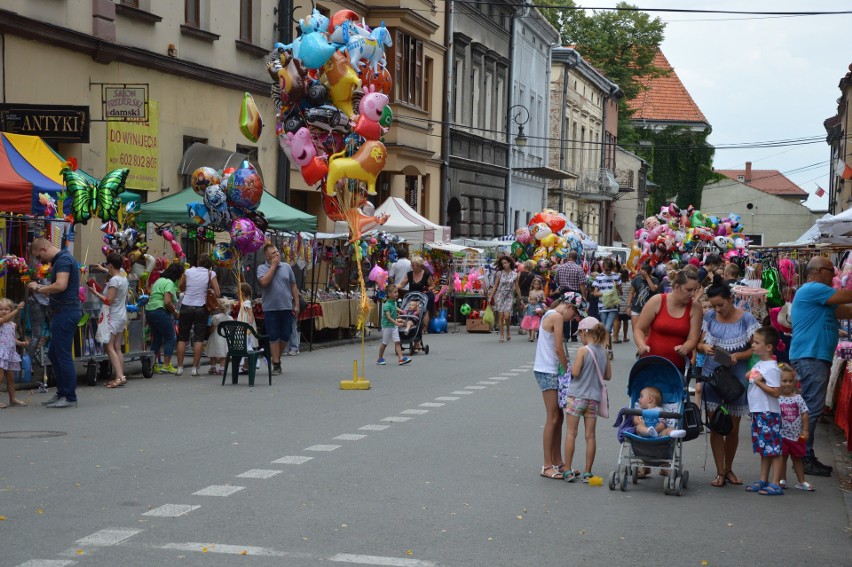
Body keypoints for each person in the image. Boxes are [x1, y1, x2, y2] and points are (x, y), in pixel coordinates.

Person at [789, 256, 852, 476]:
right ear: (818, 271)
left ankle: (805, 453)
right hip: (810, 357)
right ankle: (803, 456)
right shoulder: (813, 289)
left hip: (814, 357)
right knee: (812, 409)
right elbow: (847, 296)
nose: (835, 275)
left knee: (811, 408)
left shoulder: (821, 298)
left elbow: (846, 310)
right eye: (831, 271)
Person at [698, 275, 760, 487]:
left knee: (733, 428)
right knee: (716, 425)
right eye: (714, 306)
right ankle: (719, 472)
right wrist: (703, 348)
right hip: (713, 375)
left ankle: (728, 468)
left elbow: (757, 347)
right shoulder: (709, 318)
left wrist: (738, 356)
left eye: (721, 305)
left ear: (730, 299)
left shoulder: (746, 319)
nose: (717, 310)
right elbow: (698, 344)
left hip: (736, 378)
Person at [533, 291, 586, 479]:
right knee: (553, 417)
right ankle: (547, 465)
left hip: (550, 370)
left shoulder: (551, 314)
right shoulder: (556, 316)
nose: (574, 318)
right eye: (576, 314)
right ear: (569, 307)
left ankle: (558, 462)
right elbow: (558, 348)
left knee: (559, 417)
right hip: (549, 370)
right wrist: (567, 371)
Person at [28, 238, 82, 409]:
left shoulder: (64, 260)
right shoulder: (61, 260)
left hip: (66, 312)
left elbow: (60, 285)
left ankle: (69, 396)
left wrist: (38, 288)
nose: (39, 261)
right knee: (54, 353)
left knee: (62, 354)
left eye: (38, 257)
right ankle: (62, 392)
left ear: (44, 249)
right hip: (62, 312)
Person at [563, 316, 611, 483]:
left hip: (577, 396)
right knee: (590, 436)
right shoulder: (603, 351)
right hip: (593, 398)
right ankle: (587, 472)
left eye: (580, 333)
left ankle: (568, 469)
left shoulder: (583, 350)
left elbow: (575, 373)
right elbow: (608, 376)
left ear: (584, 332)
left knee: (571, 433)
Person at [633, 269, 702, 373]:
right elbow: (639, 329)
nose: (693, 294)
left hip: (677, 368)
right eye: (689, 290)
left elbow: (693, 338)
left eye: (695, 290)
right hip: (651, 363)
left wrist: (685, 348)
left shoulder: (695, 307)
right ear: (676, 287)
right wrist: (641, 345)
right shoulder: (657, 301)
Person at [744, 326, 784, 496]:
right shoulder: (762, 364)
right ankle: (763, 478)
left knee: (773, 448)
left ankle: (775, 482)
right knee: (764, 447)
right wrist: (753, 376)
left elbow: (776, 392)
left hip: (768, 412)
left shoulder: (772, 368)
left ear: (768, 347)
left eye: (757, 342)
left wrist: (759, 381)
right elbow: (749, 375)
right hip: (759, 411)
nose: (753, 344)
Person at [256, 243, 300, 376]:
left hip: (286, 306)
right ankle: (276, 363)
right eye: (273, 253)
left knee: (286, 335)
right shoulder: (262, 268)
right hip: (270, 308)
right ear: (267, 257)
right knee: (274, 336)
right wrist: (273, 266)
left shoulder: (286, 267)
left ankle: (276, 358)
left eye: (277, 252)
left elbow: (293, 285)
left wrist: (296, 304)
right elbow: (264, 283)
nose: (277, 255)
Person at [175, 254, 220, 377]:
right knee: (198, 338)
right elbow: (218, 292)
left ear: (198, 261)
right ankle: (194, 368)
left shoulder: (188, 271)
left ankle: (179, 367)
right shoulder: (211, 274)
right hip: (201, 307)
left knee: (182, 337)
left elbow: (181, 287)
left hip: (186, 306)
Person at [89, 252, 129, 388]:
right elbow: (116, 271)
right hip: (122, 315)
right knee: (117, 347)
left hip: (113, 316)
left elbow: (109, 300)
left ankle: (119, 376)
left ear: (111, 265)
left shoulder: (114, 281)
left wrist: (96, 293)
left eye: (107, 265)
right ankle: (120, 375)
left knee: (109, 346)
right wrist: (102, 268)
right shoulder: (123, 276)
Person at [777, 363, 814, 491]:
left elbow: (805, 414)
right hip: (782, 435)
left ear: (794, 382)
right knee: (782, 458)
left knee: (797, 459)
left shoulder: (798, 398)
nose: (787, 384)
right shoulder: (777, 398)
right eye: (784, 381)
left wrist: (805, 430)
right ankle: (782, 479)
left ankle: (801, 481)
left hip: (797, 436)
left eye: (790, 381)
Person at [146, 263, 183, 374]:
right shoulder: (169, 283)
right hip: (160, 311)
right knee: (170, 337)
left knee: (157, 337)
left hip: (150, 311)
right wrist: (175, 312)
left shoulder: (159, 281)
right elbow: (167, 301)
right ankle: (166, 365)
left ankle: (152, 364)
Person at [398, 255, 434, 343]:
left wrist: (427, 289)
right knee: (407, 312)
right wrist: (392, 287)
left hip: (423, 296)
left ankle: (423, 329)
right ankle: (407, 329)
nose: (411, 266)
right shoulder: (409, 274)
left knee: (422, 312)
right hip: (412, 297)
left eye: (413, 265)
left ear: (419, 265)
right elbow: (401, 285)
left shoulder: (426, 274)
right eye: (411, 264)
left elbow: (432, 286)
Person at [0, 299, 28, 408]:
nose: (3, 311)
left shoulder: (12, 325)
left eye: (6, 309)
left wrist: (21, 343)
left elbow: (11, 338)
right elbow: (4, 319)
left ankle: (13, 399)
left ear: (10, 310)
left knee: (11, 378)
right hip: (1, 353)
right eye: (1, 309)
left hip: (10, 353)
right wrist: (17, 310)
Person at [554, 251, 587, 342]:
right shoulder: (578, 268)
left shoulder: (561, 268)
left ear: (568, 257)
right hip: (576, 293)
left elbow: (556, 280)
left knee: (564, 313)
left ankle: (565, 335)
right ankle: (573, 335)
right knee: (575, 313)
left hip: (564, 293)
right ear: (576, 258)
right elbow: (582, 284)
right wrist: (584, 297)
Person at [488, 255, 521, 343]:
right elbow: (495, 286)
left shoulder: (515, 274)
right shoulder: (499, 273)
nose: (504, 265)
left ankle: (508, 331)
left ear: (509, 263)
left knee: (507, 316)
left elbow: (517, 287)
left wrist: (520, 298)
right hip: (499, 296)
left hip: (509, 296)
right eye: (502, 263)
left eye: (505, 263)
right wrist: (490, 297)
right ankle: (502, 335)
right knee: (500, 316)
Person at [376, 285, 411, 366]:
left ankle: (401, 358)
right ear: (389, 294)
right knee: (384, 343)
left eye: (397, 292)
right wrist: (397, 323)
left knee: (397, 342)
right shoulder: (387, 305)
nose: (397, 294)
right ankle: (380, 358)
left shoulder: (394, 303)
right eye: (395, 292)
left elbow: (396, 308)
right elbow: (388, 317)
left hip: (393, 326)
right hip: (387, 326)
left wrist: (403, 311)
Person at [627, 262, 659, 335]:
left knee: (647, 332)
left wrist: (647, 277)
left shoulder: (655, 280)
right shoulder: (636, 279)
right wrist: (628, 306)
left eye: (644, 274)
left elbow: (653, 289)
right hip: (636, 307)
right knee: (636, 331)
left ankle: (645, 345)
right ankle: (640, 345)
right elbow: (631, 292)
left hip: (648, 309)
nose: (642, 275)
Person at [237, 282, 261, 372]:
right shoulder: (245, 302)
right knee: (247, 346)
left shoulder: (246, 303)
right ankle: (246, 365)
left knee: (247, 345)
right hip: (246, 326)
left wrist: (249, 327)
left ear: (242, 292)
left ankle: (246, 365)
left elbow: (251, 316)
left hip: (246, 327)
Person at [205, 298, 232, 375]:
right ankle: (222, 368)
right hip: (225, 337)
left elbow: (212, 328)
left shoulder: (216, 317)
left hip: (216, 336)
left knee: (213, 352)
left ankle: (213, 367)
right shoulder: (230, 318)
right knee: (223, 353)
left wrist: (209, 332)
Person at [521, 277, 546, 342]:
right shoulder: (531, 292)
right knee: (530, 322)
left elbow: (545, 300)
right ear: (533, 285)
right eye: (535, 284)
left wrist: (540, 300)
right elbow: (529, 300)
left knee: (536, 322)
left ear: (540, 285)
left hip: (539, 307)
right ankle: (531, 335)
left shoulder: (541, 292)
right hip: (531, 307)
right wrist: (526, 305)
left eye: (538, 284)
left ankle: (534, 335)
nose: (537, 285)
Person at [613, 268, 631, 344]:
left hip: (617, 303)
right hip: (626, 304)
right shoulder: (630, 283)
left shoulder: (616, 283)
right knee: (625, 321)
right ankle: (625, 337)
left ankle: (616, 336)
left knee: (617, 320)